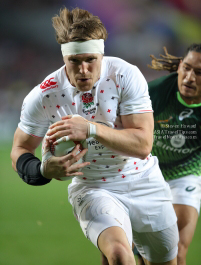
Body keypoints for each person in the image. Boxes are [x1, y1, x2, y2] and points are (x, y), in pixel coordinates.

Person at [10, 7, 179, 265]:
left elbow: (143, 144)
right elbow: (20, 149)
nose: (84, 70)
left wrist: (90, 128)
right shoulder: (44, 94)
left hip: (143, 179)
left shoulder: (125, 75)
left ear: (102, 54)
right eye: (74, 62)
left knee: (165, 260)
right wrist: (43, 170)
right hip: (93, 186)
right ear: (64, 58)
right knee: (121, 256)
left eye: (91, 60)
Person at [135, 44, 201, 265]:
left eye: (199, 73)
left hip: (186, 172)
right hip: (146, 171)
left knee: (177, 250)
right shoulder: (157, 92)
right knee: (145, 255)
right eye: (187, 68)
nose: (189, 78)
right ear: (179, 66)